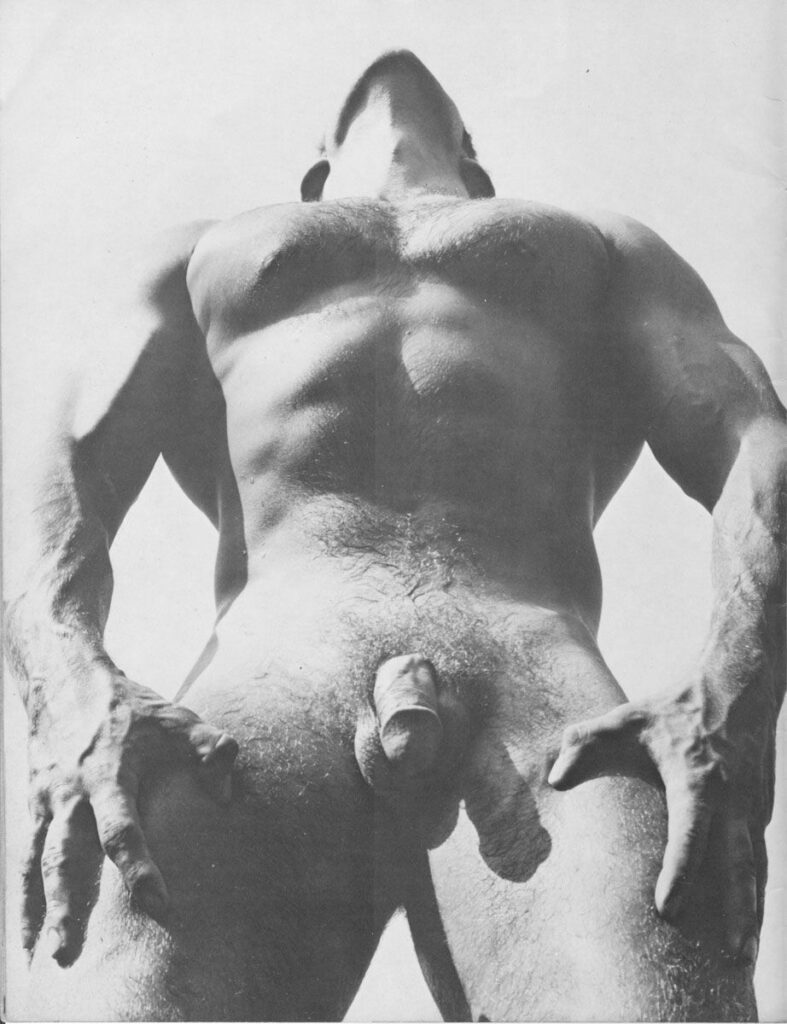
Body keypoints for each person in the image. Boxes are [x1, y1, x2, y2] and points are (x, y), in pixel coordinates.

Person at [5, 49, 785, 1021]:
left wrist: (733, 693)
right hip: (270, 686)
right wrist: (68, 688)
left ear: (477, 160)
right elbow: (59, 462)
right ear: (313, 168)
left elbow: (755, 442)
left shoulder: (597, 244)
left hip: (537, 687)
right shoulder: (209, 251)